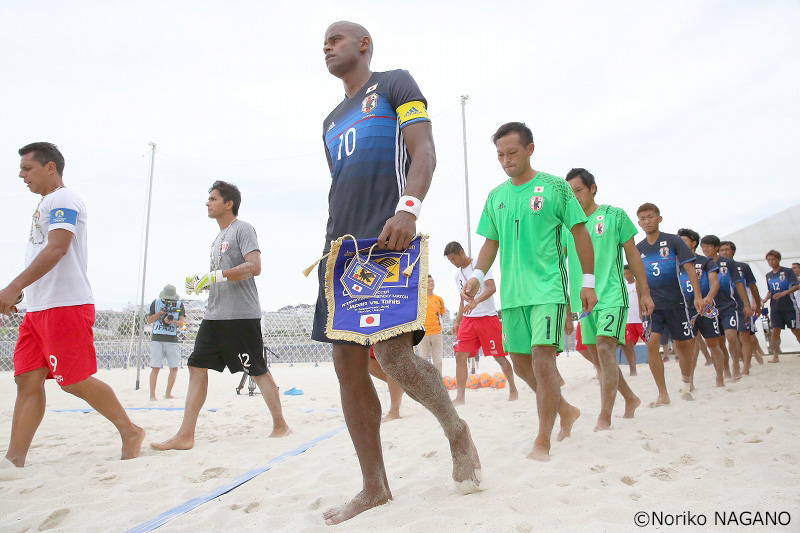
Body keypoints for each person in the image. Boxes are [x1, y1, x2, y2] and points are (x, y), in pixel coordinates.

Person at [314, 21, 481, 525]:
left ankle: (455, 429)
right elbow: (341, 186)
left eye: (335, 39)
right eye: (322, 42)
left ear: (363, 44)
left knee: (393, 356)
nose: (326, 46)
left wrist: (408, 209)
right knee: (346, 365)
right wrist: (328, 248)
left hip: (390, 236)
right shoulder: (329, 120)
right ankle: (374, 487)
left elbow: (423, 151)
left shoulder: (394, 84)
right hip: (341, 247)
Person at [1, 142, 145, 467]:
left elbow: (58, 248)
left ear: (50, 167)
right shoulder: (45, 204)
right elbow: (42, 255)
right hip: (37, 310)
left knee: (74, 381)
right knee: (26, 379)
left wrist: (12, 286)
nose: (21, 175)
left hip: (66, 306)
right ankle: (13, 460)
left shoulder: (65, 198)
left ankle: (131, 431)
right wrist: (21, 295)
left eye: (27, 168)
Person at [464, 122, 594, 461]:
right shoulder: (496, 196)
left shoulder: (555, 188)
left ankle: (542, 441)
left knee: (542, 360)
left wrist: (588, 282)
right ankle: (565, 410)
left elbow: (580, 233)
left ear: (530, 148)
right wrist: (477, 275)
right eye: (500, 155)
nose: (506, 160)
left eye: (512, 152)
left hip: (548, 290)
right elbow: (491, 242)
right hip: (513, 295)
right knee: (521, 365)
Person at [150, 181, 290, 452]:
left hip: (240, 315)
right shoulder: (217, 238)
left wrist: (215, 276)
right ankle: (185, 434)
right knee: (196, 366)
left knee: (257, 370)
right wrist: (204, 282)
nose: (207, 203)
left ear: (229, 204)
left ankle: (280, 425)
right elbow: (224, 275)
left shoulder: (243, 228)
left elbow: (255, 267)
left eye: (213, 199)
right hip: (213, 314)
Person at [566, 168, 650, 430]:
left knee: (604, 348)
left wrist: (645, 292)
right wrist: (567, 306)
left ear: (592, 189)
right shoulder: (567, 225)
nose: (575, 196)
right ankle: (630, 398)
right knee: (596, 354)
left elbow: (633, 256)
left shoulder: (614, 215)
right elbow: (561, 264)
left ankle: (604, 417)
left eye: (578, 190)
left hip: (612, 294)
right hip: (583, 301)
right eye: (570, 192)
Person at [635, 203, 702, 404]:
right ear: (638, 223)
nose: (647, 221)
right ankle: (662, 393)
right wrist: (640, 303)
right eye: (643, 219)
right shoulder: (638, 248)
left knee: (683, 346)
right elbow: (639, 278)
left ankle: (686, 382)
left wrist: (697, 296)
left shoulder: (673, 241)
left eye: (650, 217)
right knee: (652, 344)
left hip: (677, 303)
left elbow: (690, 268)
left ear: (659, 218)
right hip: (653, 306)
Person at [444, 241, 518, 404]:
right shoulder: (458, 275)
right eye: (450, 261)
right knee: (459, 356)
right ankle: (460, 397)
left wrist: (476, 301)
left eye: (454, 259)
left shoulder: (480, 265)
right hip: (469, 321)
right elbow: (462, 300)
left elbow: (492, 288)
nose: (453, 263)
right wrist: (457, 321)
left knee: (499, 357)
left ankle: (513, 389)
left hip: (487, 317)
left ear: (462, 252)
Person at [676, 228, 726, 387]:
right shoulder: (675, 264)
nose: (680, 244)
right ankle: (689, 381)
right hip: (685, 310)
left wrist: (709, 298)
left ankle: (719, 378)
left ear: (693, 243)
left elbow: (715, 283)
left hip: (706, 309)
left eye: (684, 241)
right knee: (688, 347)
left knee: (713, 344)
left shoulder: (705, 262)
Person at [699, 235, 753, 380]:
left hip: (728, 305)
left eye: (708, 246)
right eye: (703, 246)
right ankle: (725, 369)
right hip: (710, 308)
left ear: (716, 247)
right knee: (719, 341)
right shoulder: (701, 263)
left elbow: (738, 283)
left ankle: (736, 365)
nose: (705, 249)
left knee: (731, 336)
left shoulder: (727, 263)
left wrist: (746, 304)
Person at [720, 240, 763, 372]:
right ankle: (739, 361)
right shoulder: (714, 266)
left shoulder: (742, 267)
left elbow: (752, 286)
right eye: (722, 250)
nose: (725, 252)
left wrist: (756, 303)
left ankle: (746, 366)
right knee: (731, 337)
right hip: (724, 305)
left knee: (745, 335)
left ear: (733, 251)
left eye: (727, 249)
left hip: (742, 305)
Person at [146, 284, 186, 401]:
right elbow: (149, 320)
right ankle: (152, 395)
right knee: (155, 367)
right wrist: (159, 313)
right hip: (157, 338)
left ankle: (168, 393)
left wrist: (171, 321)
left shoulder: (179, 305)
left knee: (174, 367)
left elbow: (181, 323)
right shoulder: (156, 303)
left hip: (172, 339)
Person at [761, 249, 800, 362]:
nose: (771, 262)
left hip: (789, 306)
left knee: (796, 330)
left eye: (773, 259)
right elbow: (770, 291)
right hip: (775, 308)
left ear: (778, 259)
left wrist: (784, 293)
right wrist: (765, 299)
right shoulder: (768, 275)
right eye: (769, 260)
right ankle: (775, 355)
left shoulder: (788, 271)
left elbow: (796, 286)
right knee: (775, 331)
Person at [416, 274, 446, 374]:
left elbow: (441, 315)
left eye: (432, 281)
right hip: (422, 333)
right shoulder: (419, 299)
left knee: (438, 361)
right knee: (423, 360)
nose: (431, 283)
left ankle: (438, 384)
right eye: (428, 282)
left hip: (437, 333)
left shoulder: (439, 299)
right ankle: (424, 384)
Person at [622, 266, 643, 375]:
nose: (626, 276)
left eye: (628, 274)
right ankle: (632, 368)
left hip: (640, 320)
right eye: (624, 274)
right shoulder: (623, 286)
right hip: (628, 320)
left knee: (649, 342)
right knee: (628, 345)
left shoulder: (639, 284)